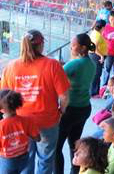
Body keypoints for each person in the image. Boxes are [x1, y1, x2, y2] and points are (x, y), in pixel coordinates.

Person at [0, 30, 70, 174]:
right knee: (46, 158)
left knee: (27, 157)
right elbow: (64, 97)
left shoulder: (11, 67)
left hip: (21, 122)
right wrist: (61, 112)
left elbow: (3, 98)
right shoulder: (53, 65)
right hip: (47, 121)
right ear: (41, 45)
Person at [55, 34, 96, 174]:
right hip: (84, 108)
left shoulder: (75, 64)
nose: (71, 47)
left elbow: (56, 75)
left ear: (82, 47)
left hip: (71, 110)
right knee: (75, 144)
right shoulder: (91, 63)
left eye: (73, 45)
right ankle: (75, 171)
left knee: (56, 147)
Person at [0, 89, 40, 174]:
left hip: (7, 161)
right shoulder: (27, 121)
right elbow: (37, 138)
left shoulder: (1, 126)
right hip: (24, 157)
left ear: (1, 107)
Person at [89, 20, 107, 96]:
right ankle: (93, 92)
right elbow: (94, 48)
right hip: (96, 56)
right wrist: (101, 56)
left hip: (94, 56)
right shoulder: (97, 35)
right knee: (96, 74)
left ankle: (95, 91)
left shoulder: (95, 32)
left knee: (96, 74)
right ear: (102, 27)